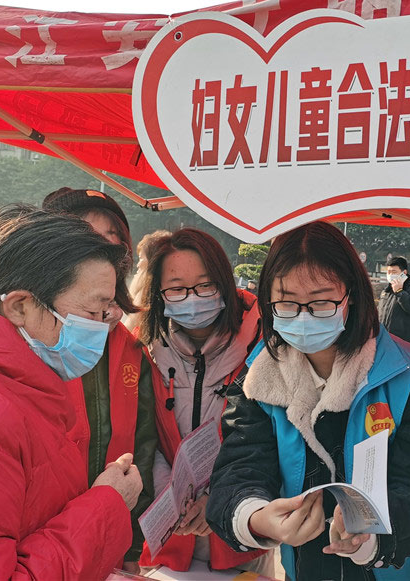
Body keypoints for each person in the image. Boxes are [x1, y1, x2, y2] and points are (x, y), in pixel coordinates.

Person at [206, 221, 410, 580]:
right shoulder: (259, 379)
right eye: (287, 303)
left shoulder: (409, 373)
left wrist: (373, 538)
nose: (303, 316)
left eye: (321, 301)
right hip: (304, 569)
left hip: (393, 570)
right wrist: (256, 516)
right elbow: (239, 466)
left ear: (350, 294)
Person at [0, 207, 143, 578]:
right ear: (20, 306)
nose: (104, 325)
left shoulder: (11, 387)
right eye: (95, 310)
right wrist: (107, 504)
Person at [133, 228, 273, 575]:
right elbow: (143, 436)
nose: (192, 298)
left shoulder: (263, 346)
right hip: (171, 536)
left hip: (240, 533)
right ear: (159, 292)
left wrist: (222, 497)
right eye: (177, 288)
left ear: (223, 283)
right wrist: (172, 497)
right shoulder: (145, 350)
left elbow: (272, 442)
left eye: (205, 285)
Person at [42, 187, 158, 571]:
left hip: (109, 538)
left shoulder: (132, 349)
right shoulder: (32, 340)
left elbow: (142, 451)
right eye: (88, 233)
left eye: (113, 237)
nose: (104, 246)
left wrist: (131, 546)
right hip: (44, 544)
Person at [377, 256, 410, 343]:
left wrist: (399, 292)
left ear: (404, 273)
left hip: (402, 342)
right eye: (388, 272)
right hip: (382, 339)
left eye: (394, 272)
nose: (390, 275)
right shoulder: (386, 291)